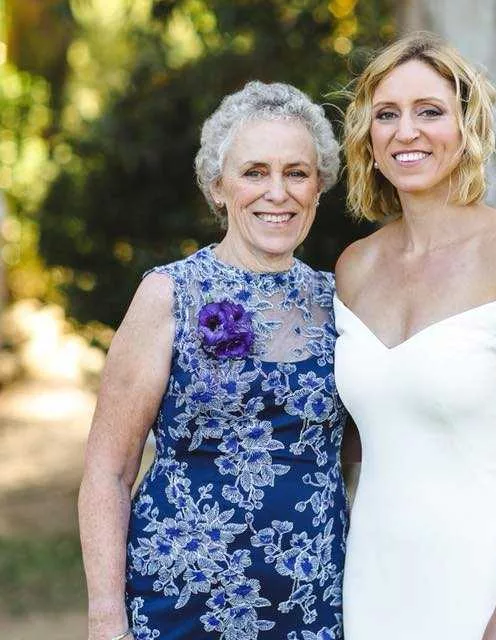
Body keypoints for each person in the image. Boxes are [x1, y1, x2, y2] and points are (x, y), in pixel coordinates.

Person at [78, 81, 349, 640]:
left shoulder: (341, 302)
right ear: (218, 186)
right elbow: (109, 470)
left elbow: (383, 436)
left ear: (319, 187)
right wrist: (106, 616)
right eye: (255, 172)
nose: (278, 192)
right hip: (179, 601)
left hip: (315, 601)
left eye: (297, 173)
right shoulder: (168, 294)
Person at [334, 32, 496, 640]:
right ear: (367, 134)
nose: (406, 132)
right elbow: (352, 433)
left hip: (488, 575)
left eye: (430, 111)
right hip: (374, 573)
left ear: (467, 126)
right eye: (386, 114)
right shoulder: (353, 269)